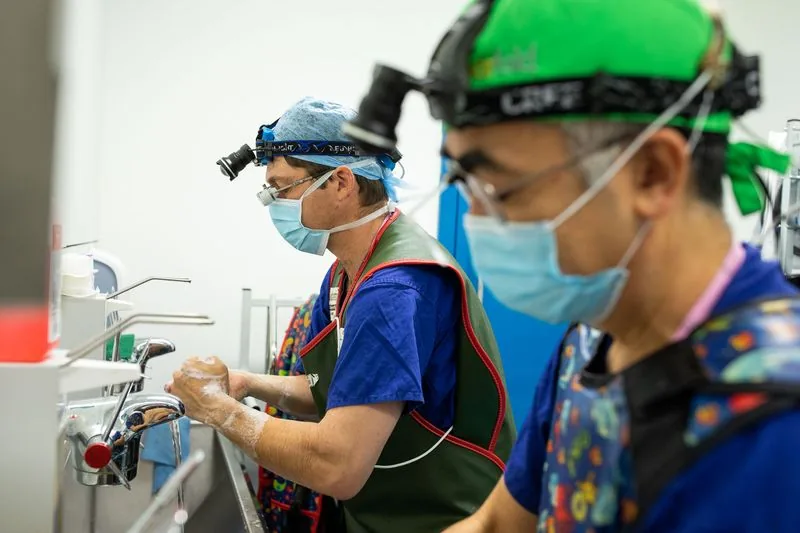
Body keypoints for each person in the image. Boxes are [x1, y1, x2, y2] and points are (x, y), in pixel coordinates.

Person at [343, 1, 800, 531]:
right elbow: (497, 525)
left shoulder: (774, 427)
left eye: (498, 185)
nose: (476, 217)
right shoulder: (591, 344)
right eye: (465, 186)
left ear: (652, 174)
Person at [167, 97, 516, 533]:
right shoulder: (346, 271)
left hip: (442, 516)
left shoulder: (393, 288)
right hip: (387, 509)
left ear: (342, 182)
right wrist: (245, 383)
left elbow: (336, 465)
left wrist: (221, 411)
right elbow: (331, 392)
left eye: (282, 188)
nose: (274, 204)